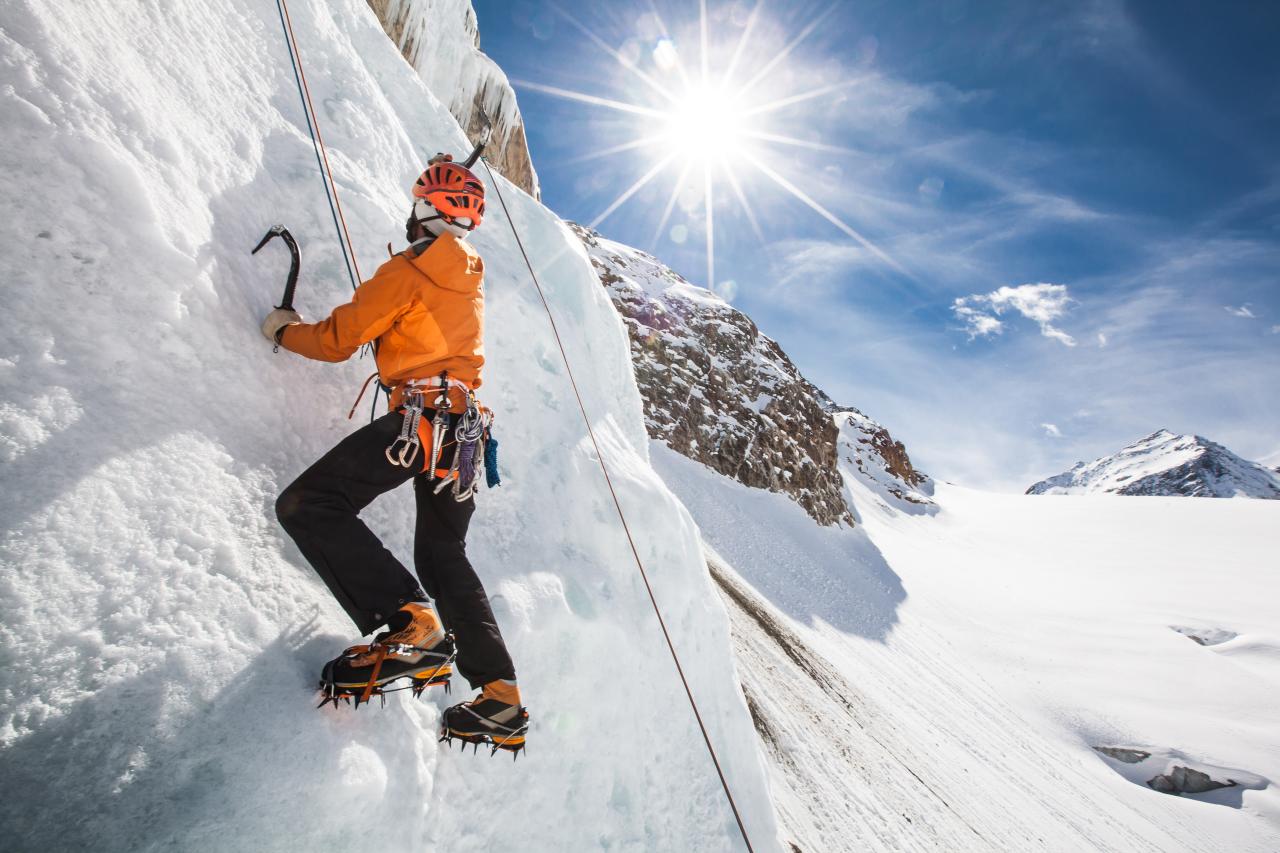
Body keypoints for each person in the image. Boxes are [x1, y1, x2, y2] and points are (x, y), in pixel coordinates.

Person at [262, 155, 527, 754]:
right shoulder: (468, 277)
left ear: (428, 210)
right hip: (462, 432)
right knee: (441, 555)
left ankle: (414, 625)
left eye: (418, 204)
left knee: (310, 505)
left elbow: (335, 340)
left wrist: (283, 328)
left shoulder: (409, 270)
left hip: (421, 419)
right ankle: (500, 696)